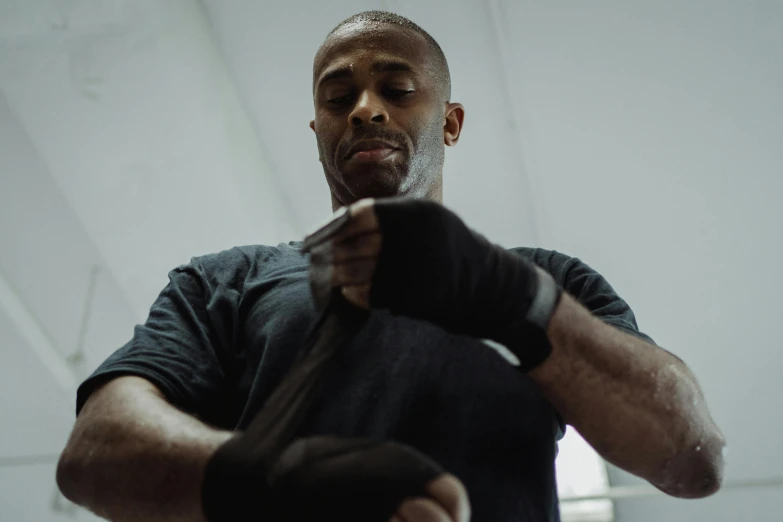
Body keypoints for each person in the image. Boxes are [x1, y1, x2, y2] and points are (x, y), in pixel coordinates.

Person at [55, 10, 726, 522]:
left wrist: (517, 300)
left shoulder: (549, 281)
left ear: (451, 121)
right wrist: (271, 477)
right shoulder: (224, 282)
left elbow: (690, 456)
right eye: (337, 97)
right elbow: (93, 454)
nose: (365, 109)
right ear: (317, 129)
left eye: (397, 88)